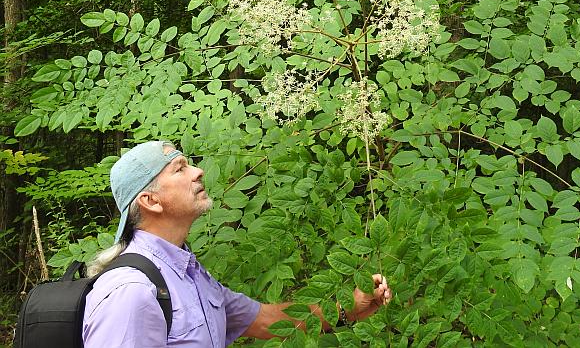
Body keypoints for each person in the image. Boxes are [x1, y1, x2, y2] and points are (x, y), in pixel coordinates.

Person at [82, 140, 392, 347]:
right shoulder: (131, 292)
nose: (198, 171)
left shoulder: (188, 273)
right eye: (180, 169)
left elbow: (267, 320)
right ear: (150, 201)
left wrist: (350, 306)